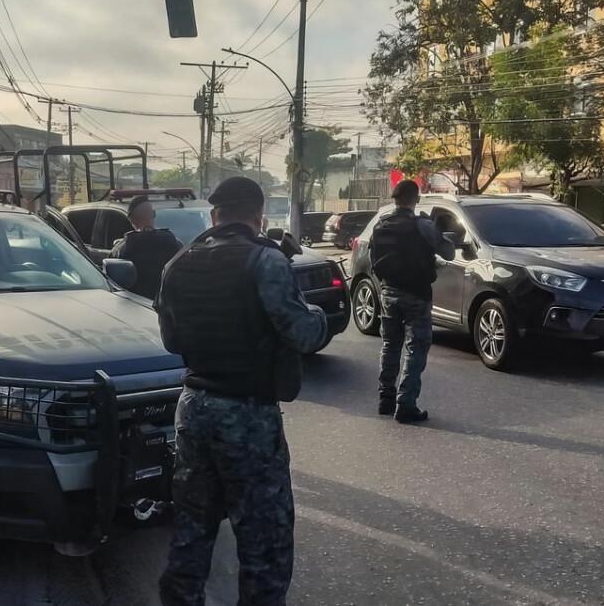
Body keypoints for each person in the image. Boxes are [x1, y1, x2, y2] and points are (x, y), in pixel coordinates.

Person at [155, 177, 327, 606]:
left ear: (215, 215)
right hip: (247, 415)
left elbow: (172, 342)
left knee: (193, 527)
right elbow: (304, 335)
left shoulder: (178, 263)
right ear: (258, 216)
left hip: (193, 409)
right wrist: (316, 312)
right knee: (265, 540)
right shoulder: (266, 261)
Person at [368, 180, 455, 424]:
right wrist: (439, 231)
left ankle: (385, 398)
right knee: (416, 348)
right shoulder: (423, 225)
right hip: (416, 295)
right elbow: (448, 253)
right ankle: (405, 405)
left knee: (390, 344)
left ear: (396, 199)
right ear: (416, 199)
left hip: (388, 292)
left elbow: (373, 257)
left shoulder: (381, 224)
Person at [109, 195, 183, 299]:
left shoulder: (124, 247)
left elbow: (111, 277)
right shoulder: (174, 242)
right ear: (154, 214)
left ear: (130, 219)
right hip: (168, 301)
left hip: (136, 303)